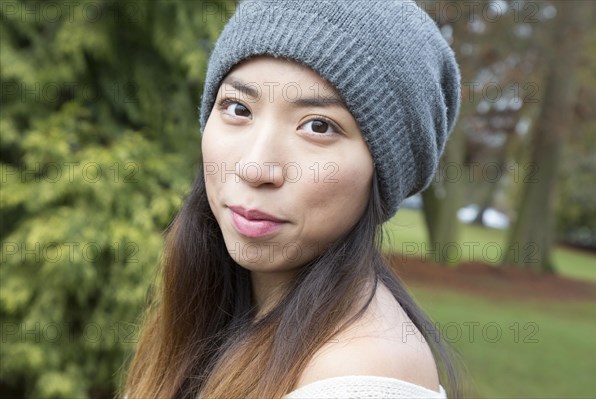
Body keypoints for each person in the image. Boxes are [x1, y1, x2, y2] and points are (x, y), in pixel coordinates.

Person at [121, 0, 464, 398]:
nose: (255, 167)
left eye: (318, 126)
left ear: (385, 169)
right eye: (238, 108)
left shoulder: (361, 371)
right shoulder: (210, 317)